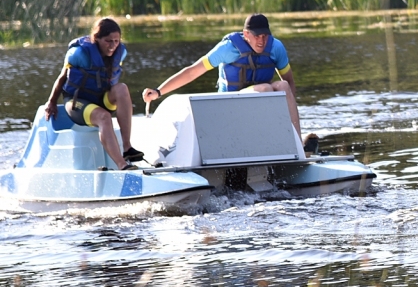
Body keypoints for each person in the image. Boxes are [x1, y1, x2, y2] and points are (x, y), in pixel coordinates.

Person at [141, 13, 318, 152]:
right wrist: (159, 91)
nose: (262, 41)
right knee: (265, 88)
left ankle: (296, 144)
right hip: (229, 105)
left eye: (265, 36)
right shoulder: (228, 48)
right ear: (246, 34)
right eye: (257, 36)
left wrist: (287, 116)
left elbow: (290, 82)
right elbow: (192, 71)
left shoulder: (276, 47)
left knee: (283, 86)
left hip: (260, 102)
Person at [44, 17, 142, 171]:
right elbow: (62, 77)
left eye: (116, 41)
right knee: (104, 117)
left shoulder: (119, 53)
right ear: (97, 39)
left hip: (100, 99)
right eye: (108, 41)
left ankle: (127, 148)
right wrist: (52, 102)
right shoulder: (79, 54)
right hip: (77, 102)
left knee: (122, 88)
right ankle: (122, 165)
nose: (113, 46)